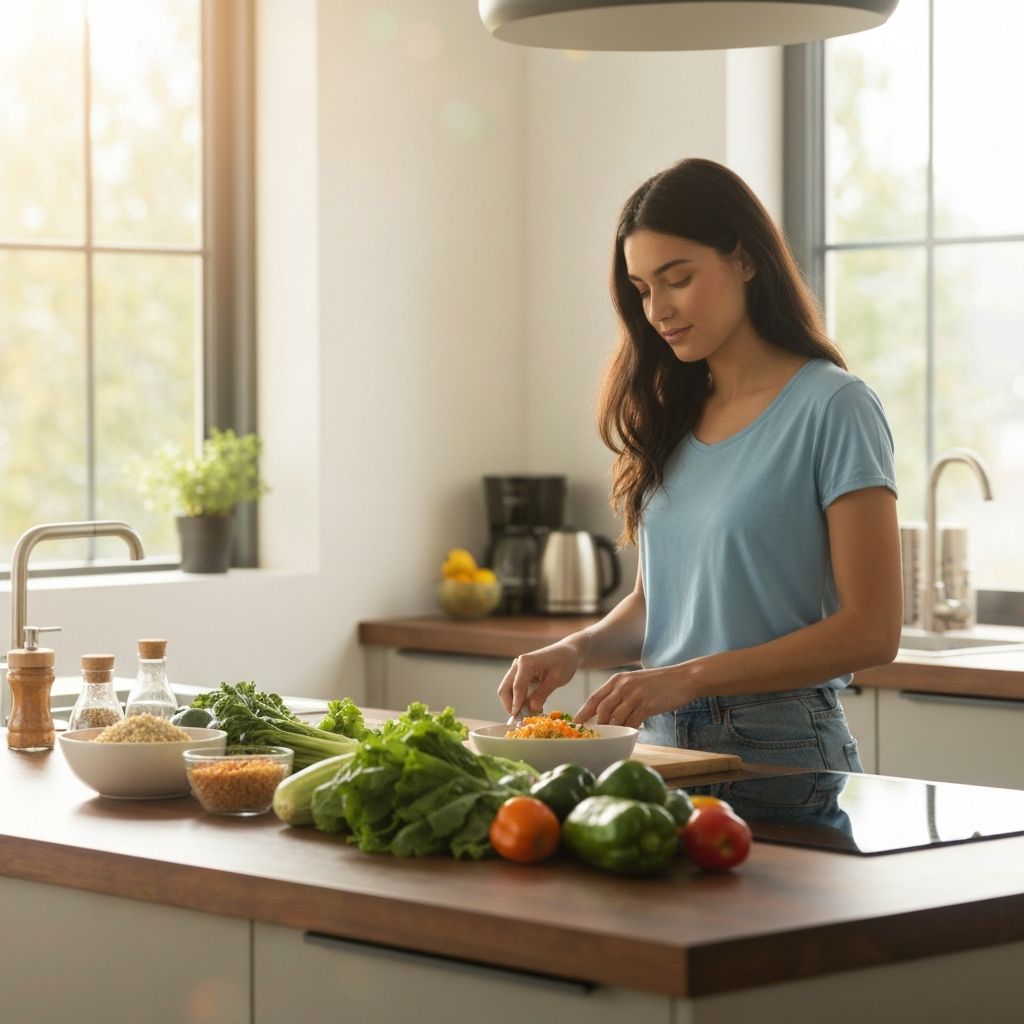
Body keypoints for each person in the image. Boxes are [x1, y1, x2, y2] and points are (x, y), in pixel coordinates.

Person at [498, 157, 902, 772]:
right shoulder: (672, 414)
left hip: (781, 746)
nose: (657, 310)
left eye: (677, 278)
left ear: (744, 259)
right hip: (658, 744)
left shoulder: (834, 406)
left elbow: (872, 631)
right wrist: (575, 648)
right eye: (641, 290)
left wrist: (685, 678)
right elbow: (655, 605)